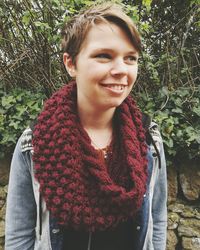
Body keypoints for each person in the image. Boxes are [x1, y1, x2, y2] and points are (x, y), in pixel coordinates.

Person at [5, 2, 167, 250]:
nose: (121, 70)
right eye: (104, 56)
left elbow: (156, 220)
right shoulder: (34, 144)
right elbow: (19, 236)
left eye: (130, 58)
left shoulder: (148, 139)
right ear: (71, 63)